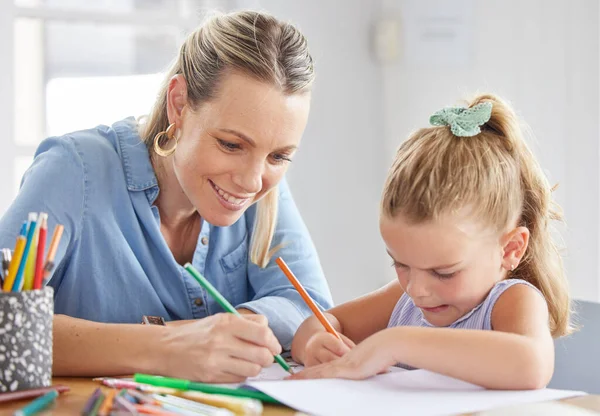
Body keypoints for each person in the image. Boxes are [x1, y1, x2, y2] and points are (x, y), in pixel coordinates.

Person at [0, 10, 333, 383]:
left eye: (279, 156)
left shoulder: (261, 189)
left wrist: (235, 329)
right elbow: (2, 325)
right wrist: (167, 346)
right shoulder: (74, 171)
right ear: (179, 104)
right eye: (231, 144)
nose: (253, 181)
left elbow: (310, 307)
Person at [290, 94, 571, 390]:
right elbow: (317, 325)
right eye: (401, 264)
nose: (417, 290)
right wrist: (316, 343)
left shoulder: (510, 301)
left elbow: (531, 366)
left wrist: (396, 343)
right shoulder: (404, 300)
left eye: (444, 272)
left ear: (510, 249)